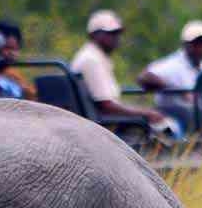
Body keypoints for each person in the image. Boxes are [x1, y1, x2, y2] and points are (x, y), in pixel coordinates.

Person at [72, 9, 177, 137]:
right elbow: (106, 106)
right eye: (111, 33)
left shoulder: (95, 56)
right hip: (103, 126)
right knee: (167, 127)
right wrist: (146, 113)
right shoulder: (92, 59)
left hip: (102, 121)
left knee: (166, 123)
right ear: (94, 35)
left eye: (117, 33)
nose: (116, 38)